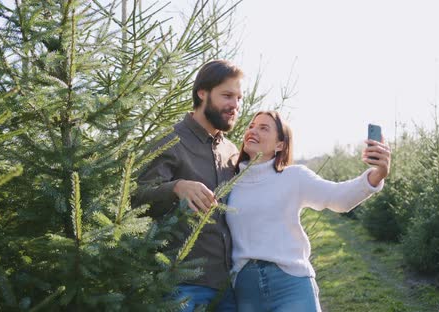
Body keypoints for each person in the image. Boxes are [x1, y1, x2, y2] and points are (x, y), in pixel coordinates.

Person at [226, 111, 391, 312]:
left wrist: (377, 175)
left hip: (290, 284)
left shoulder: (294, 177)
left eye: (264, 128)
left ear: (280, 145)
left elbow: (338, 198)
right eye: (251, 126)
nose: (253, 130)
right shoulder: (229, 183)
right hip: (247, 291)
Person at [131, 60, 243, 311]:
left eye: (238, 98)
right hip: (182, 286)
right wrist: (176, 187)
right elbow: (134, 199)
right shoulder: (170, 140)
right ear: (202, 93)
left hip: (228, 287)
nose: (235, 105)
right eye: (227, 95)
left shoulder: (231, 151)